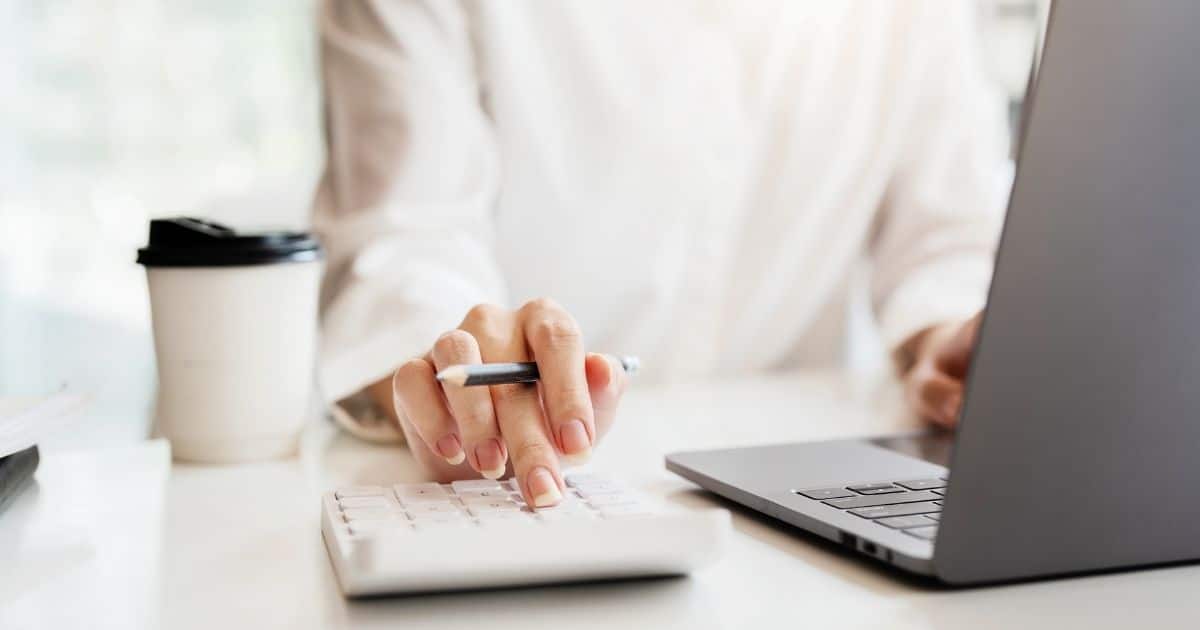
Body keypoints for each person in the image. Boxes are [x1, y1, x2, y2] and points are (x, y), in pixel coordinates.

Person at [312, 1, 1009, 507]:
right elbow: (401, 244)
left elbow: (950, 240)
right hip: (522, 502)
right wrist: (454, 374)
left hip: (810, 495)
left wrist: (947, 340)